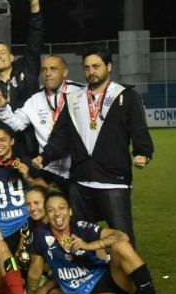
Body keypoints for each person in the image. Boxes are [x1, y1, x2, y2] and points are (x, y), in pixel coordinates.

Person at [32, 46, 154, 248]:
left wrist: (142, 153)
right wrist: (44, 157)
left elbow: (138, 128)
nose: (91, 72)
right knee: (82, 240)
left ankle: (132, 280)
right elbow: (60, 136)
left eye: (96, 66)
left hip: (113, 181)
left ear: (109, 66)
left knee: (122, 240)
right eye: (87, 67)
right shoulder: (74, 99)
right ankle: (94, 279)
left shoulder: (125, 95)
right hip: (80, 182)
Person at [26, 193, 175, 294]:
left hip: (110, 277)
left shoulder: (81, 227)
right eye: (51, 210)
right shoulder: (40, 236)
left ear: (70, 211)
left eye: (62, 208)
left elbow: (122, 236)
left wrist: (88, 245)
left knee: (121, 246)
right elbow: (34, 273)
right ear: (46, 214)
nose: (57, 213)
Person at [0, 54, 83, 192]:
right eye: (44, 69)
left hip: (78, 169)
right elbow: (16, 124)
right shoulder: (34, 100)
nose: (48, 73)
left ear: (65, 72)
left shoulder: (80, 93)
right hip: (48, 170)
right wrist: (2, 109)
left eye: (53, 69)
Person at [0, 0, 45, 156]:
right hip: (0, 149)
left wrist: (34, 5)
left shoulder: (27, 69)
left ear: (12, 57)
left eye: (2, 53)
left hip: (31, 145)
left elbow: (35, 41)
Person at [0, 125, 47, 254]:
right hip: (4, 229)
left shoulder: (25, 162)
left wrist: (28, 177)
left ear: (12, 141)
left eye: (3, 140)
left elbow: (46, 191)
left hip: (27, 221)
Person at [20, 185, 69, 294]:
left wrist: (45, 288)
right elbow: (21, 250)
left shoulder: (60, 222)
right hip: (48, 270)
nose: (32, 208)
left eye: (37, 203)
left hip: (71, 269)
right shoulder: (30, 223)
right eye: (28, 204)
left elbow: (71, 263)